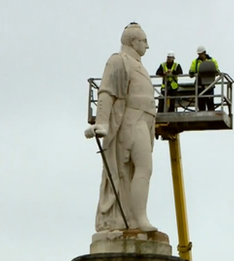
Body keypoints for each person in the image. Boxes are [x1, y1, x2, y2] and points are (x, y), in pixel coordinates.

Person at [84, 22, 158, 232]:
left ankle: (135, 218)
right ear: (133, 41)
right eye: (144, 41)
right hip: (131, 120)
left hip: (144, 120)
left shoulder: (137, 64)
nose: (147, 46)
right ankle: (138, 218)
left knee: (139, 169)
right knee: (143, 167)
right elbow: (107, 92)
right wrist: (102, 123)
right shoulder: (118, 61)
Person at [189, 45, 219, 111]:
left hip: (209, 83)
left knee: (210, 100)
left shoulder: (212, 60)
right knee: (200, 100)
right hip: (199, 83)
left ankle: (211, 111)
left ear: (205, 52)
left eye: (201, 54)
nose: (200, 56)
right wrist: (191, 72)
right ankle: (201, 111)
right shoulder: (195, 62)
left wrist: (216, 71)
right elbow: (192, 70)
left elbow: (217, 70)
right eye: (199, 54)